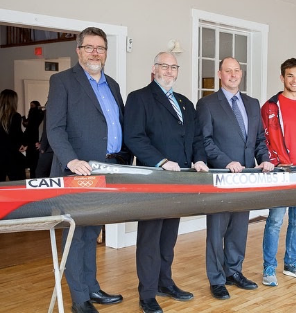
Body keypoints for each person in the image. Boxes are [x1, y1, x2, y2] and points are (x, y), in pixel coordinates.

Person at [47, 27, 127, 313]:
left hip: (108, 169)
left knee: (92, 232)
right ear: (78, 50)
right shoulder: (62, 81)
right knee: (76, 235)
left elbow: (117, 125)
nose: (96, 52)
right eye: (90, 47)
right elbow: (54, 128)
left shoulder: (113, 85)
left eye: (101, 48)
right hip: (77, 172)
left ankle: (92, 288)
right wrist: (70, 161)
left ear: (106, 52)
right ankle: (80, 299)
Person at [124, 52, 209, 313]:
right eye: (164, 66)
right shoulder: (139, 98)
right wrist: (161, 161)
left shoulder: (185, 103)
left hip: (181, 179)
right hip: (154, 179)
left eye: (174, 67)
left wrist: (199, 160)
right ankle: (147, 293)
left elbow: (196, 139)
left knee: (168, 237)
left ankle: (165, 282)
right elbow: (134, 138)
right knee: (150, 238)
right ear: (154, 68)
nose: (170, 71)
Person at [196, 57, 274, 300]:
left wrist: (264, 159)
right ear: (220, 74)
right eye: (228, 71)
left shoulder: (252, 104)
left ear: (241, 74)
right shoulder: (207, 104)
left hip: (247, 176)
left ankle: (234, 271)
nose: (233, 75)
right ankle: (217, 279)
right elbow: (205, 141)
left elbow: (259, 139)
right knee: (217, 230)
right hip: (221, 176)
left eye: (236, 70)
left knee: (239, 228)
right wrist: (225, 162)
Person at [260, 58, 296, 286]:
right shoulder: (271, 106)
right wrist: (274, 162)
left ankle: (291, 263)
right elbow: (262, 140)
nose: (295, 80)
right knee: (274, 221)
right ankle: (269, 268)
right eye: (290, 75)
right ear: (282, 78)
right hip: (281, 172)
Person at [0, 89, 27, 181]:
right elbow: (17, 135)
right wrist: (24, 144)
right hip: (12, 154)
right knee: (18, 182)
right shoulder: (15, 116)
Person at [22, 100, 44, 178]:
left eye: (32, 106)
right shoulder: (37, 114)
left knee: (35, 164)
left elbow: (30, 126)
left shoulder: (39, 114)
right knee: (33, 164)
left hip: (35, 142)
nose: (31, 108)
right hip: (32, 142)